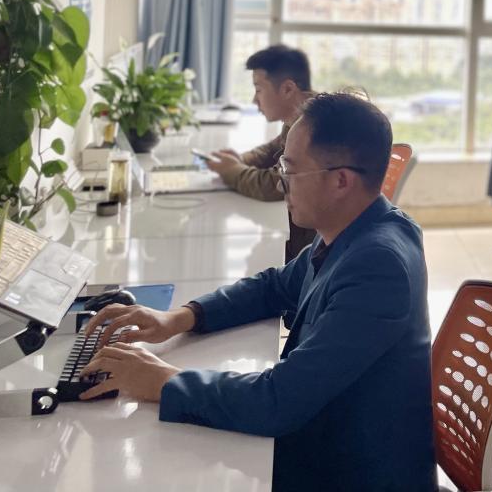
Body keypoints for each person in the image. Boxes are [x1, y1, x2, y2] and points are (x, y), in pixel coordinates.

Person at [79, 92, 435, 492]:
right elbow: (275, 286)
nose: (282, 182)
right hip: (325, 438)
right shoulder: (351, 228)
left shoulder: (378, 265)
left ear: (341, 181)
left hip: (349, 472)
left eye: (291, 170)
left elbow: (278, 402)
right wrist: (180, 317)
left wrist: (163, 380)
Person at [204, 45, 316, 261]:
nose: (254, 100)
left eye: (258, 89)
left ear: (287, 89)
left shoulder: (312, 125)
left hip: (311, 246)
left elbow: (273, 185)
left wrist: (232, 171)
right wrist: (240, 160)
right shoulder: (302, 115)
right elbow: (273, 148)